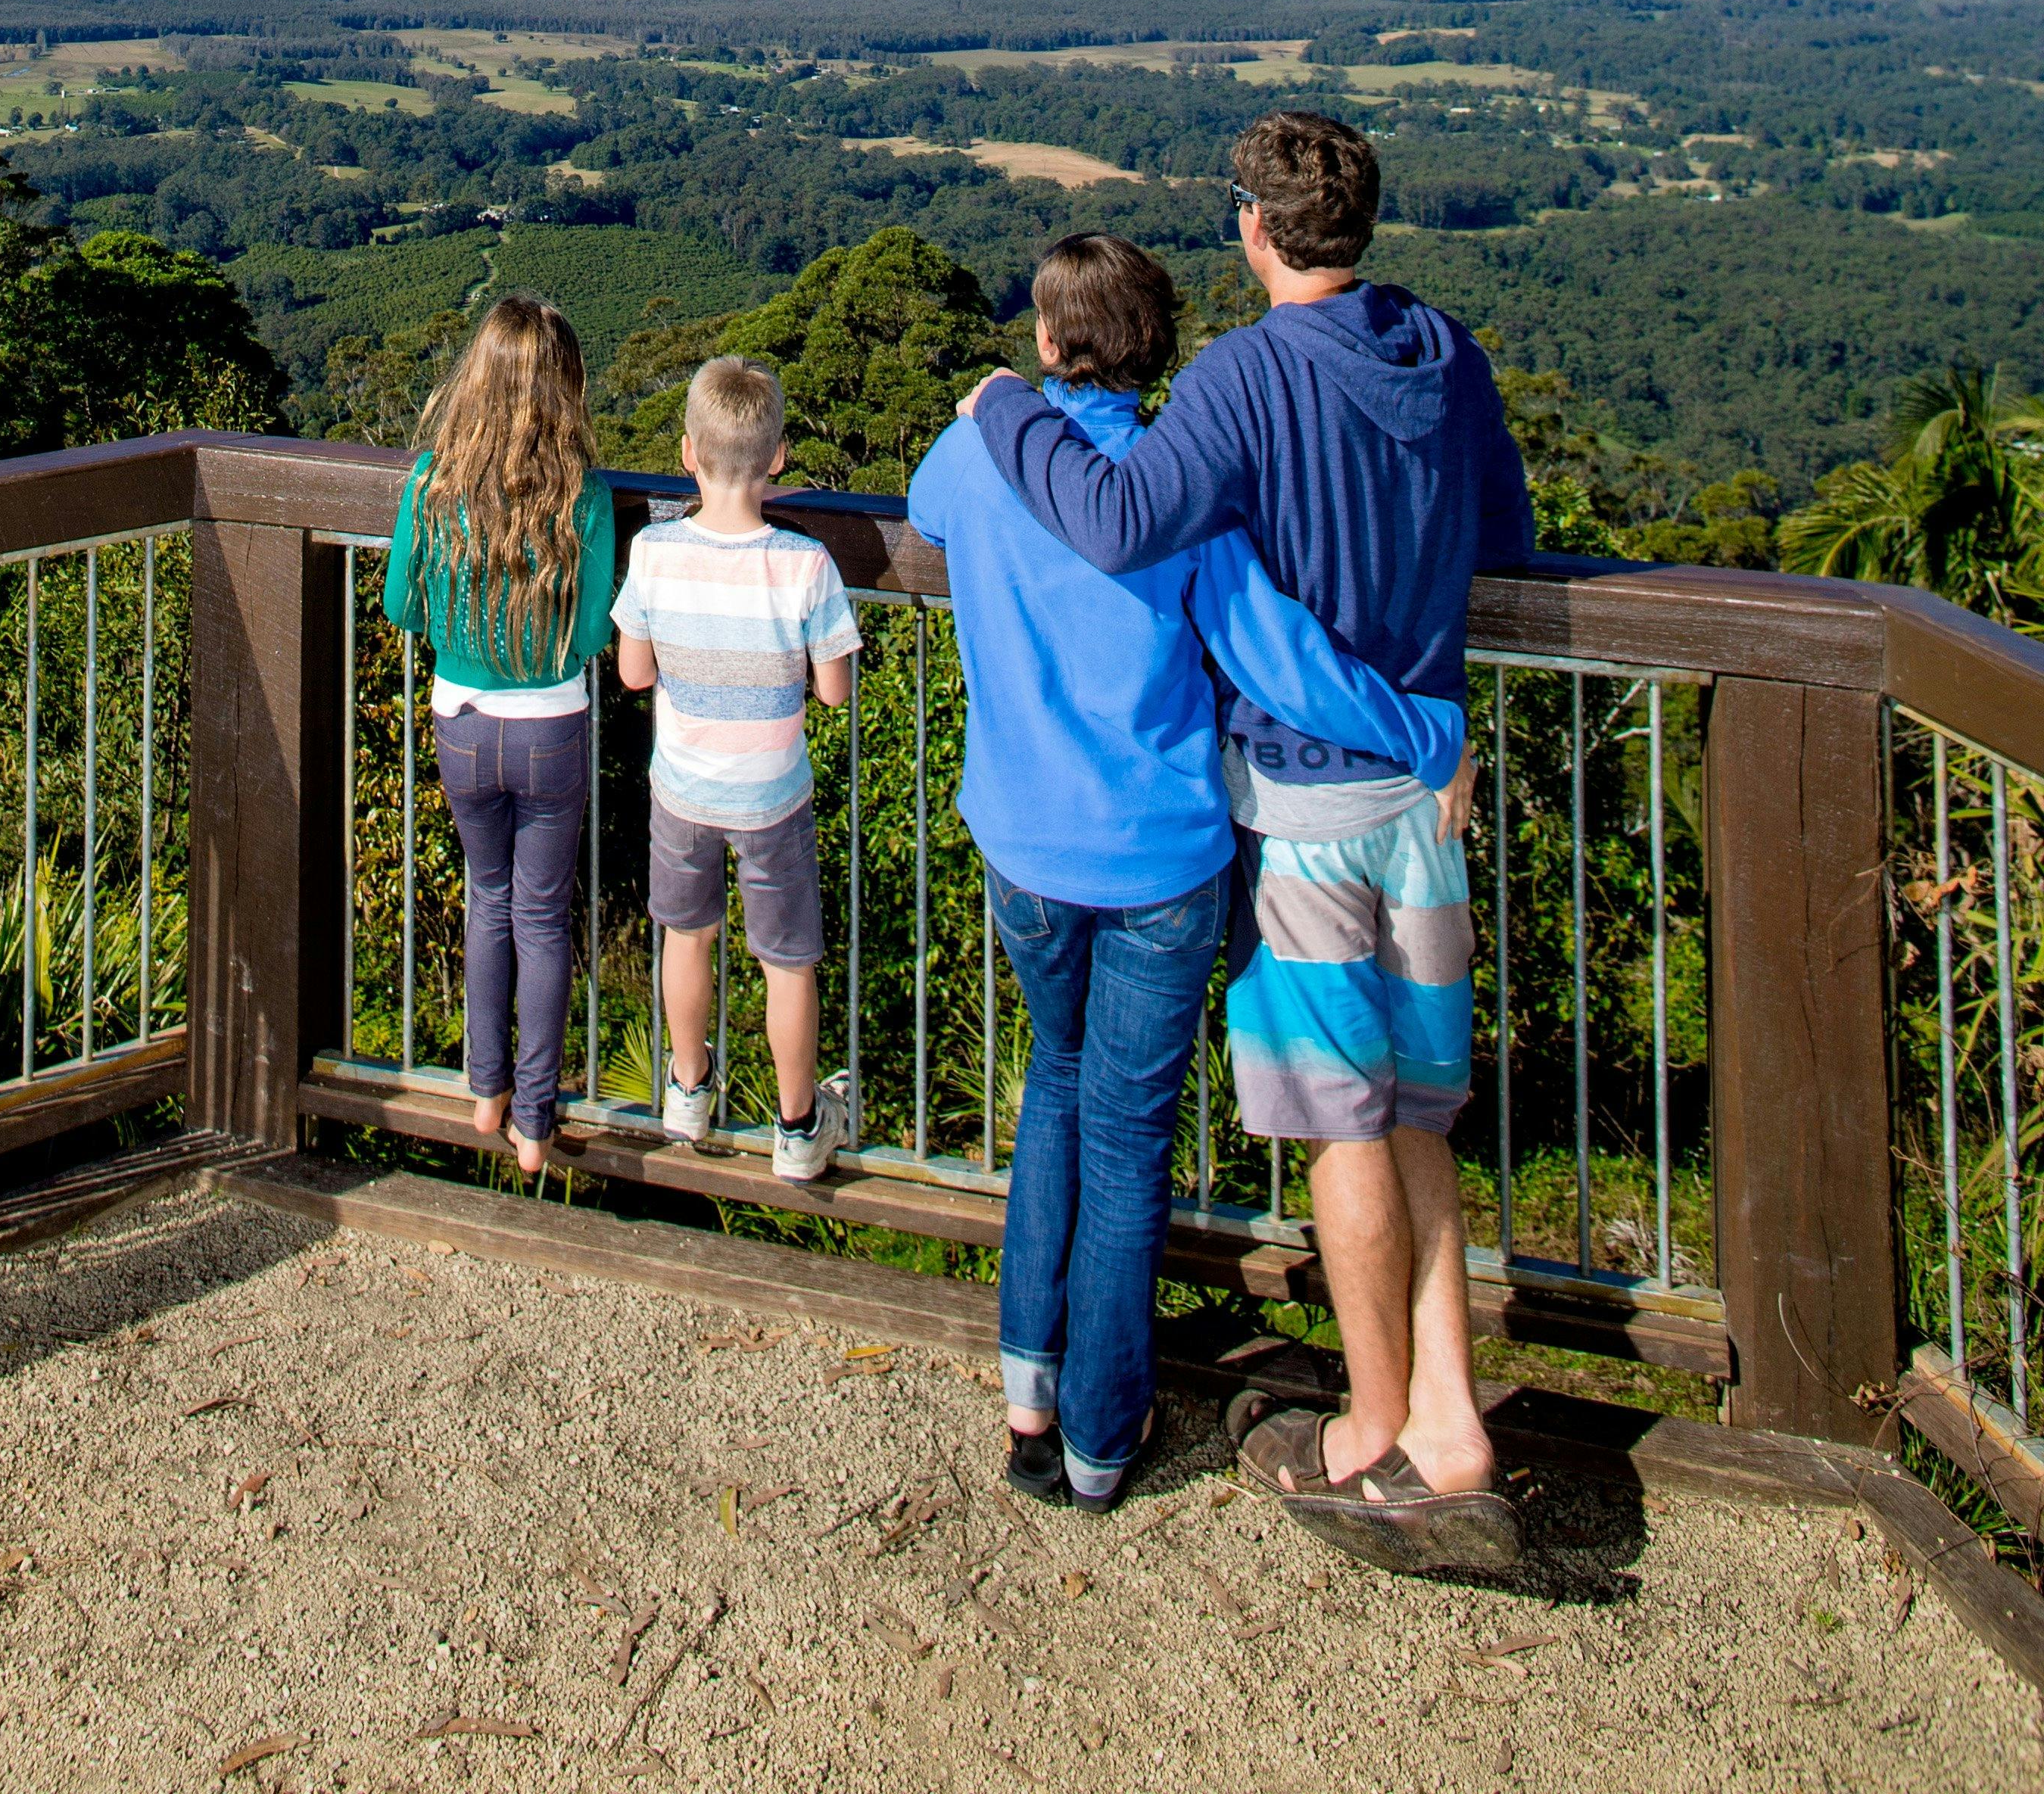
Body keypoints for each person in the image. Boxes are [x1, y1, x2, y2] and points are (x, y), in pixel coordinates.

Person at [958, 111, 1540, 1576]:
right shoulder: (1445, 352)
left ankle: (1375, 1431)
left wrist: (999, 407)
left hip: (1304, 805)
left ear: (1255, 228)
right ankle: (1454, 1418)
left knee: (1345, 1121)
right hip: (1428, 791)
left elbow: (1113, 516)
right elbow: (1510, 540)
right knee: (1417, 1118)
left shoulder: (1245, 379)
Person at [380, 293, 618, 1178]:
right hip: (553, 726)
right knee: (544, 918)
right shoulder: (585, 495)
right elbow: (593, 633)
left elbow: (403, 602)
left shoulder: (433, 483)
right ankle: (535, 1117)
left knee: (490, 900)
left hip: (464, 722)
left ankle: (484, 1091)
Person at [609, 354, 859, 1185]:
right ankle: (796, 1128)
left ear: (688, 452)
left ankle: (687, 1090)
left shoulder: (652, 553)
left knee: (688, 936)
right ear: (779, 456)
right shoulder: (806, 565)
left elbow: (635, 674)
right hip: (773, 795)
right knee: (787, 961)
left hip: (682, 787)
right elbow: (831, 691)